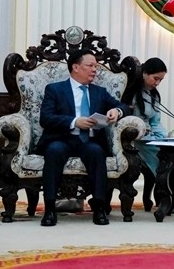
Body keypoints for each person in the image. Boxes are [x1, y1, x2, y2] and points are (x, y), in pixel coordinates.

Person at [37, 49, 130, 227]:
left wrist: (116, 111)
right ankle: (49, 209)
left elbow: (124, 106)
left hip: (90, 141)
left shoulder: (99, 92)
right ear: (76, 67)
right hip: (62, 138)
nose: (95, 70)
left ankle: (100, 208)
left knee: (96, 152)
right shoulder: (55, 89)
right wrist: (74, 122)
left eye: (96, 66)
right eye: (90, 65)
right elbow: (46, 118)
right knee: (54, 151)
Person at [122, 57, 174, 214]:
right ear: (144, 73)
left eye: (160, 80)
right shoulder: (130, 94)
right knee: (168, 158)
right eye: (155, 78)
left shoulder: (154, 95)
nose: (157, 83)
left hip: (152, 139)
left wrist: (164, 139)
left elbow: (156, 122)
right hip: (137, 141)